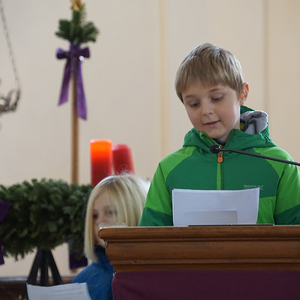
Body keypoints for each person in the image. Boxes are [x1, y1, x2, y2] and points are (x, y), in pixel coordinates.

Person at [139, 42, 300, 226]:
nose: (206, 110)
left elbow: (294, 240)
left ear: (242, 93)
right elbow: (148, 245)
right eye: (194, 104)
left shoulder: (280, 165)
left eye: (216, 98)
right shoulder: (169, 170)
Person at [73, 173, 149, 300]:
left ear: (136, 212)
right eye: (95, 215)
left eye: (110, 212)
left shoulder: (150, 276)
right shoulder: (83, 280)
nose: (99, 221)